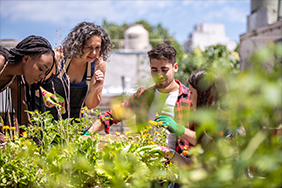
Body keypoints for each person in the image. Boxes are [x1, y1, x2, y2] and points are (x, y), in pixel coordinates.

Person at [86, 43, 196, 156]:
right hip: (148, 165)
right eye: (154, 70)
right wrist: (87, 134)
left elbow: (205, 140)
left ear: (175, 68)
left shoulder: (190, 98)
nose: (159, 75)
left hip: (180, 167)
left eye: (164, 70)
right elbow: (110, 117)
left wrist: (179, 129)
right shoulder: (143, 96)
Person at [36, 22, 114, 120]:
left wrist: (94, 89)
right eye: (89, 47)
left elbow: (91, 105)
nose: (94, 53)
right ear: (78, 45)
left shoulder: (98, 65)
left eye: (97, 47)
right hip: (45, 121)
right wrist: (45, 94)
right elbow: (31, 86)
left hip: (74, 125)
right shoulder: (57, 58)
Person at [154, 68, 228, 166]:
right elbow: (192, 164)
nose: (189, 96)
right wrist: (168, 153)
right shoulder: (209, 123)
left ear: (203, 95)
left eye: (192, 92)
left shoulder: (226, 124)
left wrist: (179, 129)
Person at [0, 35, 56, 144]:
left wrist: (30, 146)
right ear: (26, 58)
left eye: (45, 73)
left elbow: (23, 116)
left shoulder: (17, 80)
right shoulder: (1, 61)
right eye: (41, 69)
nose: (42, 76)